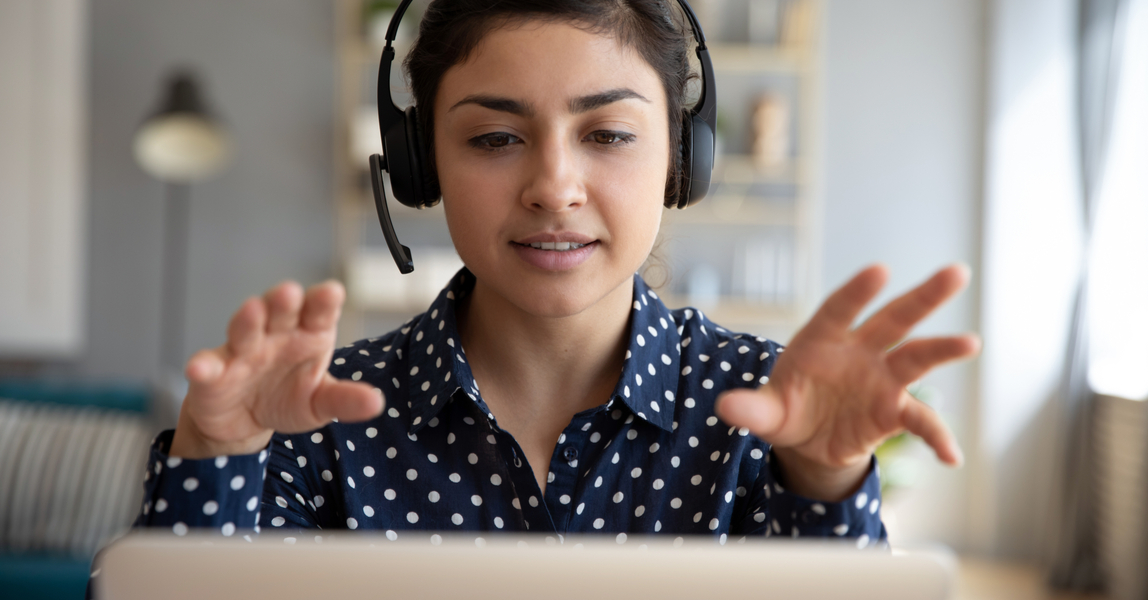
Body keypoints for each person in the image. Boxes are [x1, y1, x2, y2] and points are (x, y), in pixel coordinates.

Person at [122, 0, 978, 555]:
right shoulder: (317, 418)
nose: (553, 186)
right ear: (423, 166)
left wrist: (824, 484)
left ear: (683, 158)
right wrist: (216, 458)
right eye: (495, 138)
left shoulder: (769, 409)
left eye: (607, 134)